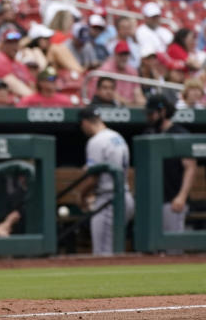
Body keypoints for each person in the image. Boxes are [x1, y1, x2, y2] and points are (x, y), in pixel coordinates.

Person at [78, 106, 135, 256]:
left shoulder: (96, 141)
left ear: (85, 122)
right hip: (125, 196)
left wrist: (82, 196)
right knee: (115, 248)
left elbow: (93, 178)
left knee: (103, 253)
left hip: (109, 200)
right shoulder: (117, 136)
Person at [145, 94, 196, 236]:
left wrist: (182, 196)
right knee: (151, 250)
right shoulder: (149, 133)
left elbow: (190, 167)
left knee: (173, 249)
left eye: (152, 113)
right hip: (152, 201)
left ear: (163, 112)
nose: (149, 117)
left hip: (173, 200)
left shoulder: (180, 133)